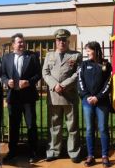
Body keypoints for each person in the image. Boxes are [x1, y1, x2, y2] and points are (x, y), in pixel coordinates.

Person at [42, 29, 82, 163]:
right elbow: (45, 73)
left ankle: (74, 152)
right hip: (54, 95)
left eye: (64, 40)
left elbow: (78, 73)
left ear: (68, 41)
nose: (62, 42)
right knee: (54, 126)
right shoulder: (49, 55)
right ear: (56, 41)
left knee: (72, 126)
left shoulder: (76, 55)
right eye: (59, 40)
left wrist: (63, 85)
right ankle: (53, 151)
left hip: (69, 96)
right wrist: (55, 85)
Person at [1, 33, 41, 163]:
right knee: (13, 126)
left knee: (31, 125)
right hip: (13, 97)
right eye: (19, 42)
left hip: (28, 97)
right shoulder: (6, 58)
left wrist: (29, 82)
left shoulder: (32, 56)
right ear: (13, 44)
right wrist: (7, 81)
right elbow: (2, 74)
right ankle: (12, 151)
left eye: (23, 42)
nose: (22, 44)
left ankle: (33, 152)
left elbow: (38, 74)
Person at [78, 41, 112, 168]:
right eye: (86, 51)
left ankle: (105, 156)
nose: (87, 53)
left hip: (102, 102)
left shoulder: (106, 65)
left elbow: (108, 83)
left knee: (103, 128)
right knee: (89, 129)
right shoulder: (83, 65)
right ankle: (90, 156)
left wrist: (97, 97)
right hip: (87, 102)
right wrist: (87, 96)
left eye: (89, 50)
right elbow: (80, 82)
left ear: (96, 50)